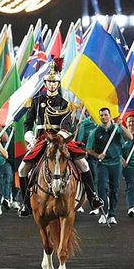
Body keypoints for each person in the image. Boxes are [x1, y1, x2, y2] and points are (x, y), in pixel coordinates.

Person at [18, 59, 103, 217]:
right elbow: (27, 124)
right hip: (41, 140)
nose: (51, 85)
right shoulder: (36, 102)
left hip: (61, 141)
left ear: (58, 84)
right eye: (49, 82)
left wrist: (59, 138)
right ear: (45, 83)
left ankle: (93, 197)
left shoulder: (65, 104)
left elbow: (67, 125)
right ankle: (25, 203)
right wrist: (30, 139)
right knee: (22, 169)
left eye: (54, 82)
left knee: (83, 164)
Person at [86, 107, 128, 225]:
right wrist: (97, 155)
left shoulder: (117, 129)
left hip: (116, 164)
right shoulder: (95, 132)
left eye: (105, 115)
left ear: (109, 116)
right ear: (99, 117)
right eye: (102, 115)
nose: (104, 117)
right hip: (103, 164)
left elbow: (130, 137)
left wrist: (121, 126)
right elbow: (88, 149)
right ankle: (103, 213)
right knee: (102, 188)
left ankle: (112, 214)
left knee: (114, 189)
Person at [74, 109, 99, 214]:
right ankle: (83, 202)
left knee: (100, 180)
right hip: (88, 156)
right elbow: (79, 141)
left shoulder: (102, 124)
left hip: (101, 156)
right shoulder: (85, 124)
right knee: (89, 178)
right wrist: (83, 152)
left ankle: (97, 200)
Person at [121, 114, 134, 217]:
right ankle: (131, 207)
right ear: (126, 123)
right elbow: (117, 148)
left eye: (133, 121)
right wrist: (121, 159)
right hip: (127, 166)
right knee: (131, 185)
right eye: (129, 121)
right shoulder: (122, 135)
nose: (131, 123)